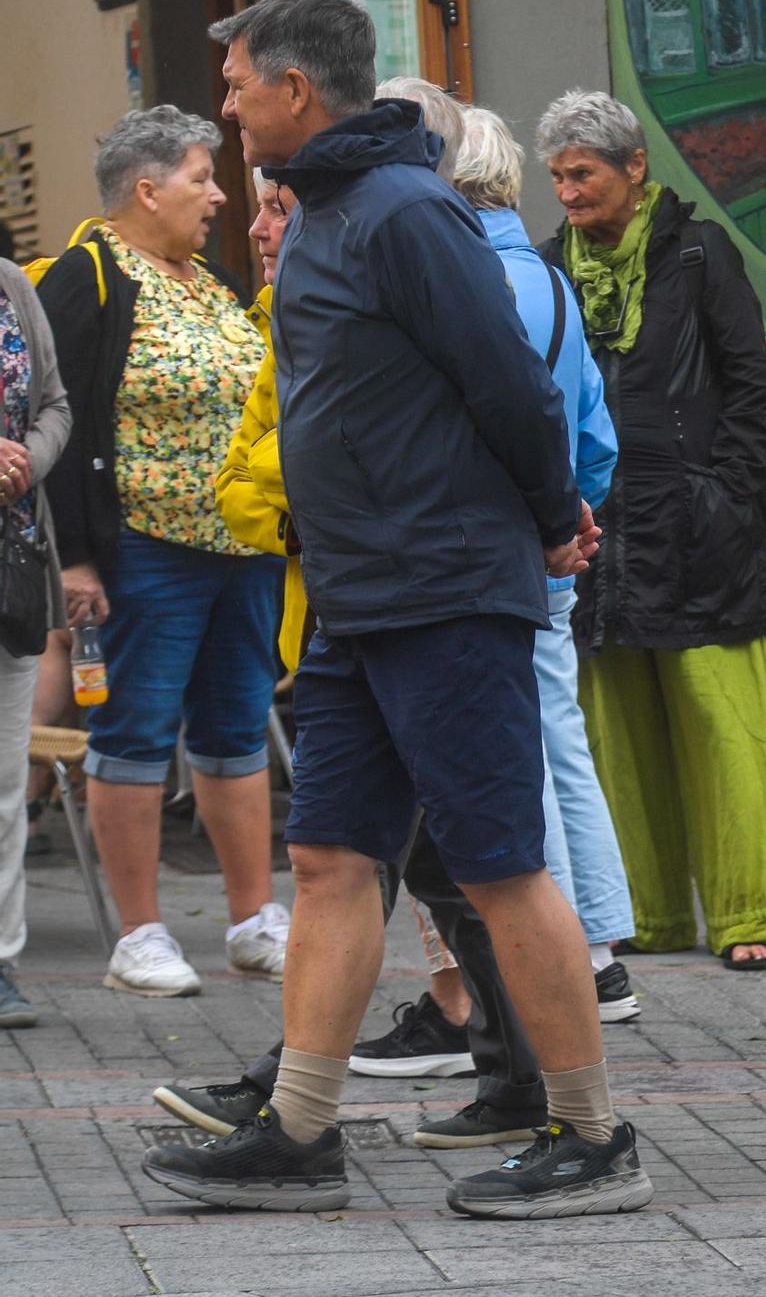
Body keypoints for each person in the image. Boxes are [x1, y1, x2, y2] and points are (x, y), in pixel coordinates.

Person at [140, 0, 648, 1217]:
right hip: (363, 597)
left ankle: (592, 1132)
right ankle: (301, 1130)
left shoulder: (404, 212)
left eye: (239, 81)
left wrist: (547, 519)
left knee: (498, 863)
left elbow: (511, 387)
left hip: (440, 590)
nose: (226, 102)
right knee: (328, 857)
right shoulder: (322, 215)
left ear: (297, 92)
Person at [162, 162, 555, 1154]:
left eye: (275, 207)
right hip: (349, 612)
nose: (255, 225)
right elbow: (249, 472)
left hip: (415, 608)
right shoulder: (292, 309)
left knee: (450, 866)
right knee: (384, 862)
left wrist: (556, 520)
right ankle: (333, 1102)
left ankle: (549, 1107)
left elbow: (516, 410)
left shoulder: (419, 268)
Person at [536, 91, 766, 972]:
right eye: (558, 176)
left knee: (726, 724)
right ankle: (646, 915)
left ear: (635, 167)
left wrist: (728, 495)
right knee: (617, 728)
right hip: (602, 530)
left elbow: (753, 390)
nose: (568, 192)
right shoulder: (548, 269)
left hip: (701, 526)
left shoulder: (698, 251)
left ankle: (748, 914)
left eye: (584, 173)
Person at [37, 105, 289, 998]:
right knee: (135, 733)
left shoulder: (211, 284)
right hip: (145, 551)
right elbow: (59, 423)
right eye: (200, 179)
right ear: (146, 191)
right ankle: (140, 935)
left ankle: (254, 920)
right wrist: (75, 559)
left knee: (233, 730)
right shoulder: (85, 279)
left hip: (241, 548)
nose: (220, 196)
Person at [449, 102, 637, 1016]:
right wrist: (573, 517)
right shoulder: (549, 280)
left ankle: (559, 958)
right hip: (551, 542)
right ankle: (600, 949)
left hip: (491, 551)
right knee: (562, 741)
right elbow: (595, 434)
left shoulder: (468, 284)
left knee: (523, 753)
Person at [0, 253, 74, 1029]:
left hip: (12, 567)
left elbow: (53, 404)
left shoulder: (11, 285)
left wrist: (28, 460)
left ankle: (0, 961)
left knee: (2, 778)